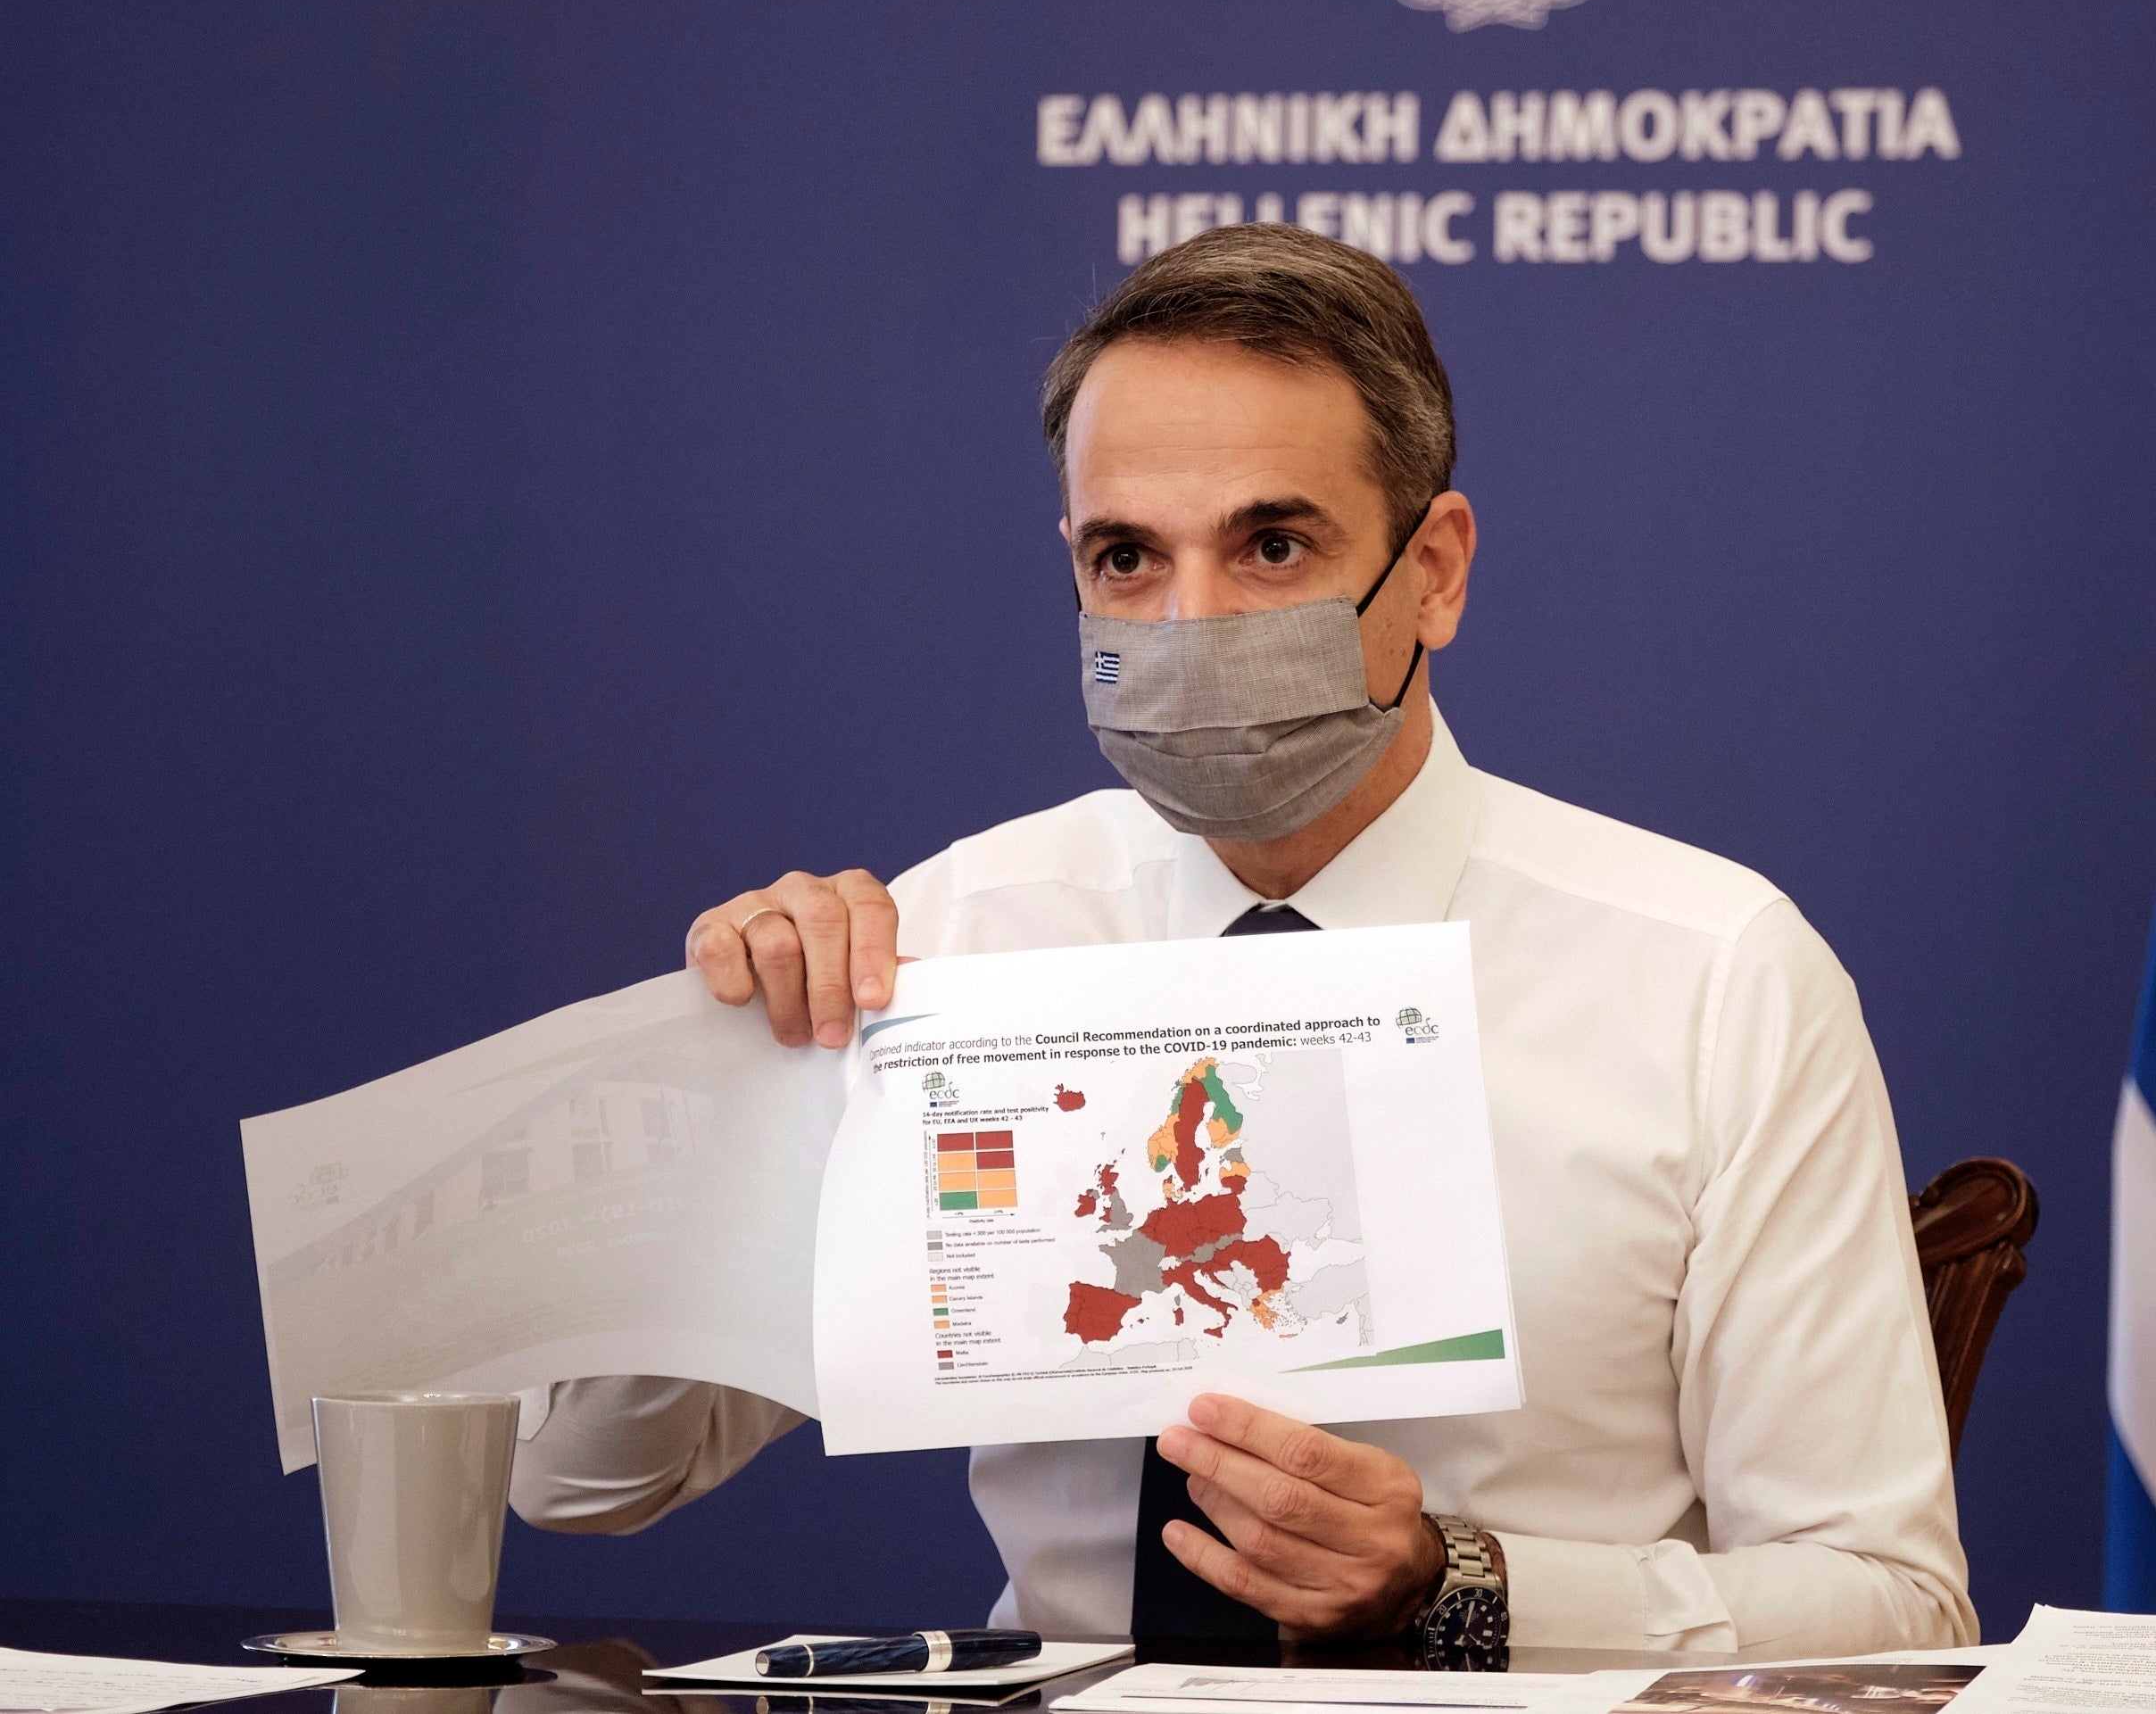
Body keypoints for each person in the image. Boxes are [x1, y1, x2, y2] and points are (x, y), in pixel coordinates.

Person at [509, 223, 1974, 1659]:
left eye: (1273, 544)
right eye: (1128, 557)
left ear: (1436, 570)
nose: (1190, 624)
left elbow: (1891, 1605)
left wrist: (1460, 1585)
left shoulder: (1712, 974)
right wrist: (721, 1088)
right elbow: (582, 1482)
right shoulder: (947, 943)